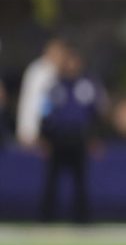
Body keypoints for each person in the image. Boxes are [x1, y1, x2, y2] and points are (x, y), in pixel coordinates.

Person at [39, 47, 107, 223]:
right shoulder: (55, 86)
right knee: (52, 179)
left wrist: (94, 137)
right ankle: (48, 217)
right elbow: (46, 112)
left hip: (79, 138)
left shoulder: (88, 85)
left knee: (80, 180)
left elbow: (96, 113)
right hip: (58, 138)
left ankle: (82, 218)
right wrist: (44, 136)